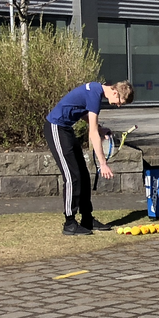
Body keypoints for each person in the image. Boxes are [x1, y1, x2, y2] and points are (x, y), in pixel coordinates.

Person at [45, 80, 134, 235]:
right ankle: (69, 223)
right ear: (115, 92)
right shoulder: (94, 94)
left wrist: (100, 129)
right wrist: (103, 163)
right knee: (72, 177)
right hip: (56, 128)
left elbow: (83, 112)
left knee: (83, 175)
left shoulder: (95, 91)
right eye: (120, 102)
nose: (119, 105)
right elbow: (92, 134)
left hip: (66, 129)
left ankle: (87, 218)